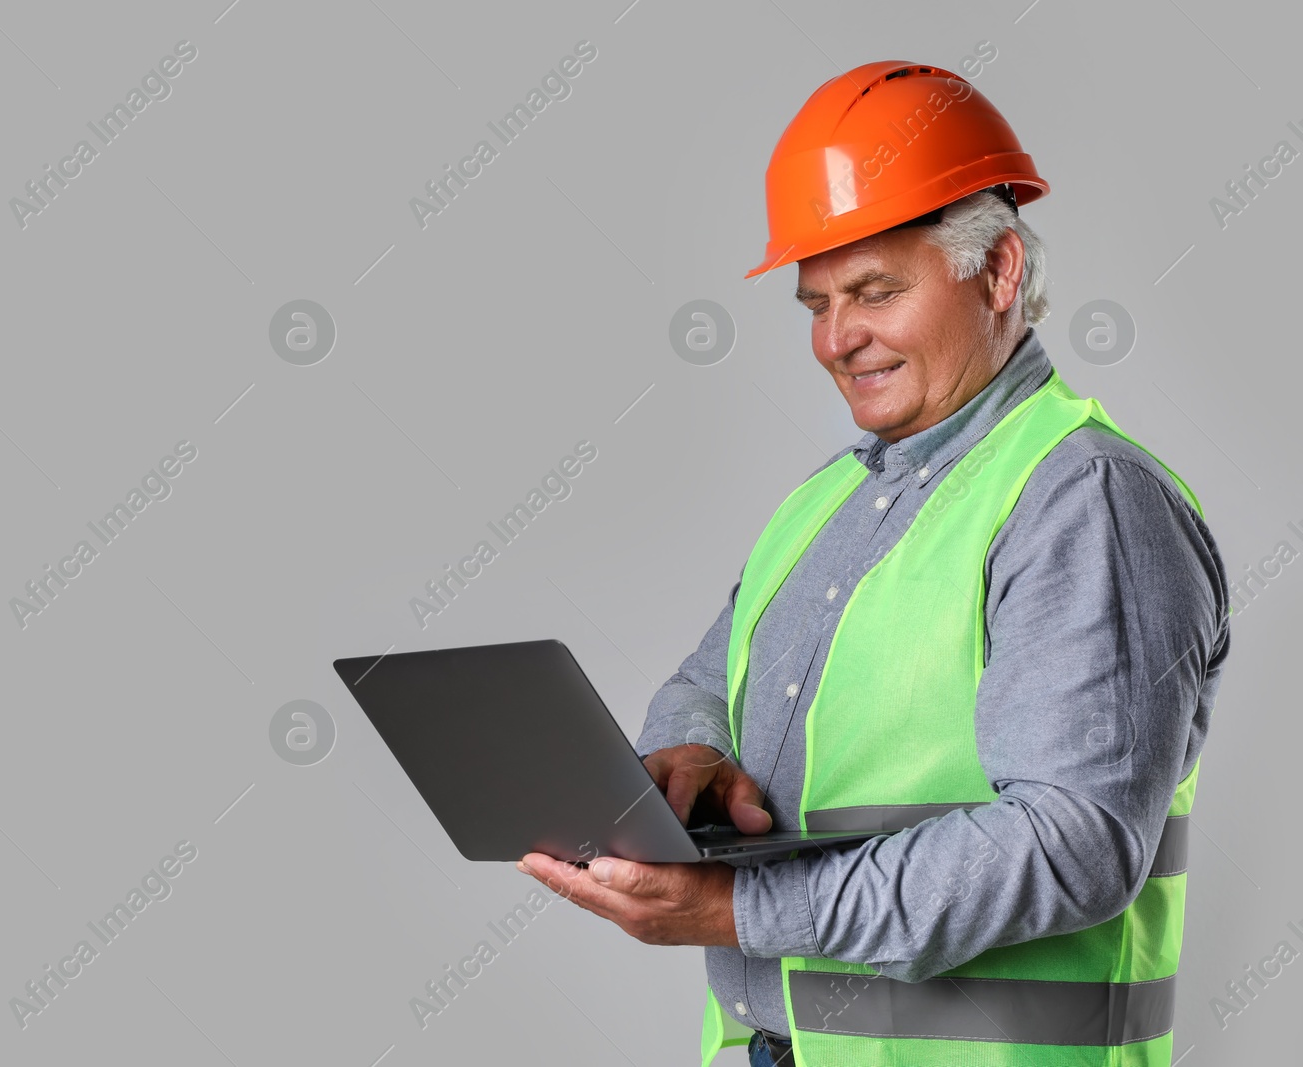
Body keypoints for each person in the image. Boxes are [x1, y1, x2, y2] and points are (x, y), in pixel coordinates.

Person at [515, 60, 1230, 1067]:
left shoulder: (1084, 502)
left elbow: (1072, 845)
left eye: (873, 290)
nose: (837, 338)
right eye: (815, 303)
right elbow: (706, 683)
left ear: (1000, 272)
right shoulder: (824, 505)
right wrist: (687, 753)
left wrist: (740, 905)